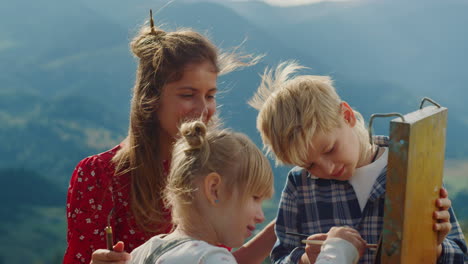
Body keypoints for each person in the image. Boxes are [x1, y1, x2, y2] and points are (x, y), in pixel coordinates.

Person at [63, 12, 272, 264]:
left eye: (210, 95)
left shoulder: (214, 167)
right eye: (187, 95)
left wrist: (286, 222)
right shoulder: (99, 176)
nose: (203, 109)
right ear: (150, 98)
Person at [248, 61, 468, 264]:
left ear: (346, 116)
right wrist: (307, 259)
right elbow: (280, 257)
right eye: (310, 165)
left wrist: (433, 246)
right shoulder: (299, 184)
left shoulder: (413, 169)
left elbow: (459, 257)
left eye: (329, 149)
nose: (327, 168)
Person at [129, 120, 367, 264]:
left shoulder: (143, 252)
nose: (260, 215)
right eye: (254, 198)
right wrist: (338, 253)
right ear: (214, 189)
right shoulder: (211, 259)